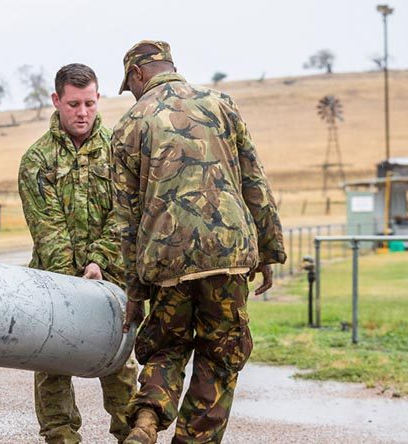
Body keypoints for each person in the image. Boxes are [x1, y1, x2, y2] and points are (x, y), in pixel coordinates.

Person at [111, 41, 287, 444]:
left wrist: (135, 291)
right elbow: (254, 180)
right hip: (229, 254)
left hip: (168, 261)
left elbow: (127, 218)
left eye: (131, 83)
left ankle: (147, 419)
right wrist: (269, 252)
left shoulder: (128, 125)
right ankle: (195, 440)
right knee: (221, 356)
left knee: (166, 346)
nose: (133, 91)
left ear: (138, 74)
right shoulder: (221, 104)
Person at [18, 63, 138, 444]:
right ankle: (61, 438)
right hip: (55, 285)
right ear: (56, 101)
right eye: (73, 104)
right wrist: (73, 282)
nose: (82, 112)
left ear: (99, 99)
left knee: (119, 368)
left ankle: (131, 435)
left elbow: (125, 214)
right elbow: (47, 229)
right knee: (52, 366)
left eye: (89, 103)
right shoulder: (36, 160)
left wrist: (99, 262)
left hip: (109, 282)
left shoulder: (120, 152)